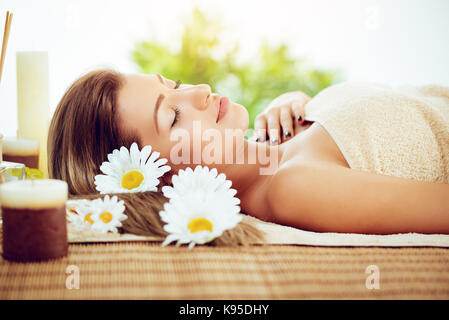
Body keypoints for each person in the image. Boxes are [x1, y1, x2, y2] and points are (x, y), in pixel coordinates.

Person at [48, 70, 449, 236]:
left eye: (173, 83)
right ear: (164, 181)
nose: (199, 92)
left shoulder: (276, 142)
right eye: (172, 115)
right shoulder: (293, 187)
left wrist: (309, 105)